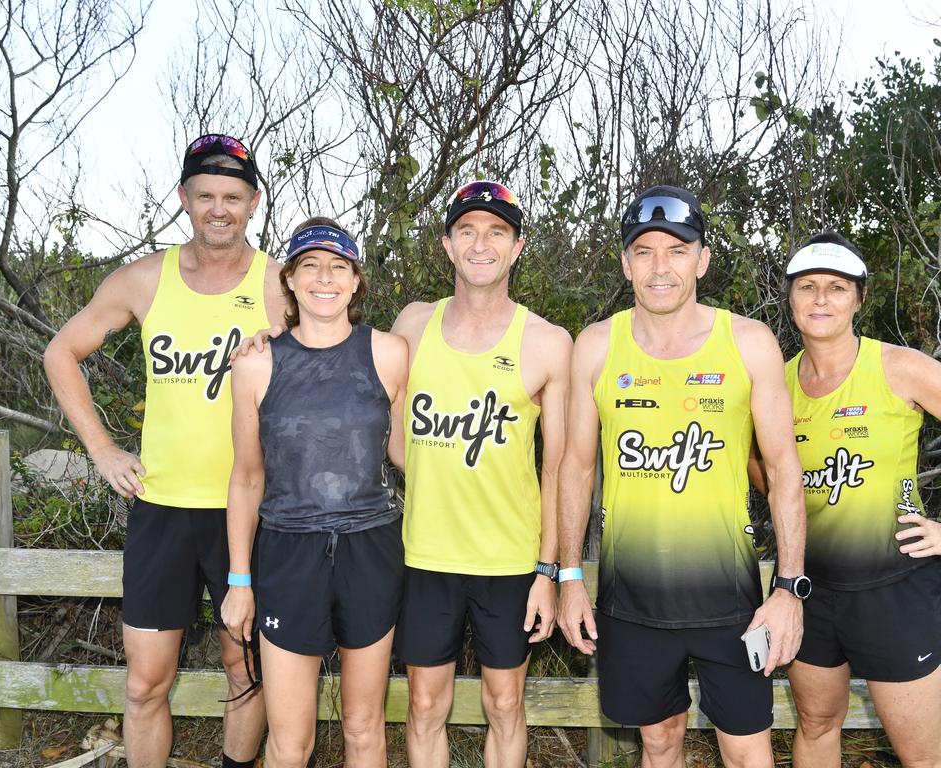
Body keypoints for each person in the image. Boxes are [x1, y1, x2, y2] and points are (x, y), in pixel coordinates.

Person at [44, 133, 285, 768]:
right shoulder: (143, 280)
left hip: (252, 512)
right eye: (204, 195)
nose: (218, 209)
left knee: (247, 666)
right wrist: (102, 450)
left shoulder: (281, 286)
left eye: (232, 196)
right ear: (184, 198)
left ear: (253, 202)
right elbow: (60, 353)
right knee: (146, 680)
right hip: (163, 509)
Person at [557, 185, 807, 768]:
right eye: (644, 252)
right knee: (658, 740)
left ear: (703, 259)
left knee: (748, 748)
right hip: (632, 600)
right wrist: (569, 575)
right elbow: (574, 466)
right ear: (625, 264)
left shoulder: (749, 342)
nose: (660, 266)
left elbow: (784, 472)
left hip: (732, 602)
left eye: (677, 249)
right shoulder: (596, 346)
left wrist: (789, 588)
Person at [389, 180, 572, 768]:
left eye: (496, 232)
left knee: (505, 704)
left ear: (517, 247)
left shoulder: (547, 342)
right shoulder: (411, 326)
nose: (481, 244)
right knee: (423, 706)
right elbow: (394, 437)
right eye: (467, 231)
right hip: (427, 555)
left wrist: (550, 570)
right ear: (447, 245)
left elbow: (560, 469)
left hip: (510, 561)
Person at [220, 218, 408, 768]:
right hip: (288, 551)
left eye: (339, 266)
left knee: (364, 726)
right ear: (291, 281)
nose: (325, 278)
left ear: (355, 282)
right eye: (310, 265)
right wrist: (239, 580)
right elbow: (247, 478)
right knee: (290, 739)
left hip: (370, 548)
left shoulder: (390, 353)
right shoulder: (255, 363)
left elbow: (409, 452)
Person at [748, 232, 941, 768]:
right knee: (814, 723)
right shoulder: (774, 383)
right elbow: (759, 466)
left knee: (922, 754)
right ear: (789, 298)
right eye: (807, 287)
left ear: (859, 298)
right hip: (810, 587)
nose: (821, 299)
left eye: (837, 287)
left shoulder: (900, 367)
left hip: (895, 586)